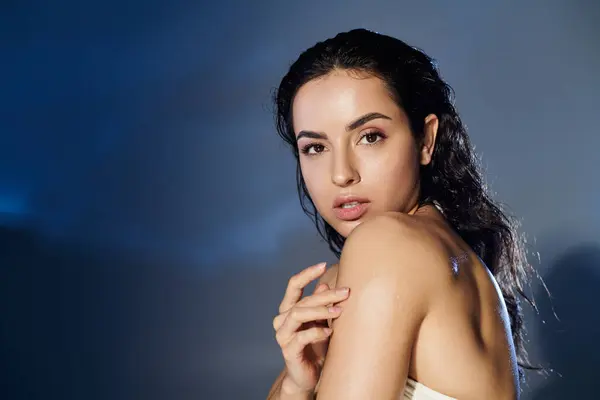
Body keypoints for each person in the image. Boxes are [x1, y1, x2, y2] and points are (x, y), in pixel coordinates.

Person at [267, 28, 538, 399]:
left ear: (426, 139)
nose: (341, 174)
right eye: (315, 148)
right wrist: (297, 385)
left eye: (370, 136)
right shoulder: (441, 258)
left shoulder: (388, 246)